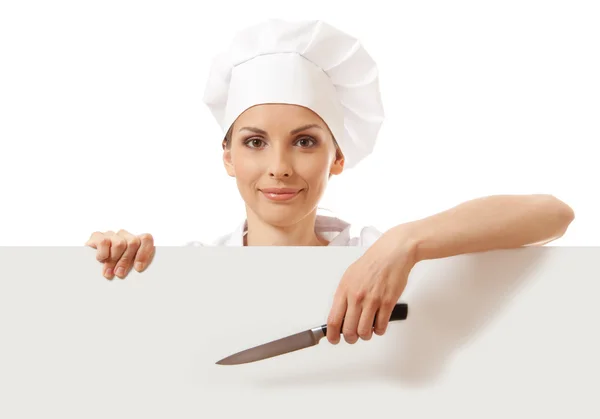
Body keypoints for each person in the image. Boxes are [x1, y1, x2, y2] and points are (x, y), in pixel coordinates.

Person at [85, 19, 575, 346]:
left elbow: (553, 214)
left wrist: (403, 244)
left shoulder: (371, 253)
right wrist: (112, 259)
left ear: (337, 157)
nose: (279, 166)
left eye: (304, 142)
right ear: (228, 157)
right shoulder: (191, 268)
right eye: (255, 142)